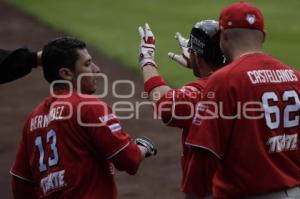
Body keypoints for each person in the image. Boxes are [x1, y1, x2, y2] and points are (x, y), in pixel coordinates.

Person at [10, 37, 157, 199]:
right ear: (66, 74)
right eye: (87, 64)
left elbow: (20, 184)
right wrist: (144, 146)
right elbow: (128, 159)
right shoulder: (88, 106)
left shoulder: (33, 119)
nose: (96, 69)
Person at [185, 2, 300, 199]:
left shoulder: (223, 80)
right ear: (263, 37)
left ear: (224, 36)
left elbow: (204, 152)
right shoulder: (295, 77)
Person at [137, 20, 224, 198]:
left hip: (211, 188)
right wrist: (199, 65)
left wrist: (147, 59)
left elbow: (164, 103)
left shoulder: (201, 91)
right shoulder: (243, 81)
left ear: (197, 56)